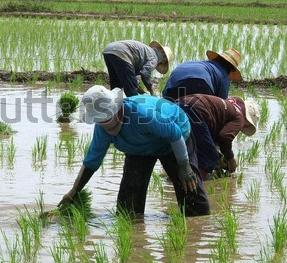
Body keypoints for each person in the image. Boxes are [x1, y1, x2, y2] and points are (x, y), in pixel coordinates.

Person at [58, 85, 210, 216]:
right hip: (139, 149)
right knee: (127, 209)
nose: (105, 124)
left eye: (108, 117)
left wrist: (184, 167)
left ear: (117, 108)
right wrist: (74, 191)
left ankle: (198, 227)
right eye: (100, 120)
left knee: (190, 191)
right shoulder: (102, 130)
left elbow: (174, 133)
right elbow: (92, 161)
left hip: (174, 140)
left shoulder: (143, 114)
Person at [176, 94, 260, 180]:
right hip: (195, 110)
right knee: (210, 157)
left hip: (179, 103)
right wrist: (230, 159)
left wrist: (220, 157)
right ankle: (191, 184)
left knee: (184, 147)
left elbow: (207, 140)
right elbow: (224, 137)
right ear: (247, 122)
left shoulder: (228, 108)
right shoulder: (239, 117)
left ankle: (174, 179)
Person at [162, 48, 242, 100]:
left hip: (175, 81)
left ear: (215, 58)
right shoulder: (223, 75)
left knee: (170, 112)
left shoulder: (201, 64)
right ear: (230, 69)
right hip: (200, 82)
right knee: (200, 115)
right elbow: (221, 104)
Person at [103, 40, 173, 97]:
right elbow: (144, 73)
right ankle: (132, 112)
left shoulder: (147, 51)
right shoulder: (154, 58)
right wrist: (150, 90)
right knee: (132, 94)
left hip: (108, 50)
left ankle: (116, 110)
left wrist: (139, 89)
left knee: (116, 87)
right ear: (163, 61)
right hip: (122, 53)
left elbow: (131, 76)